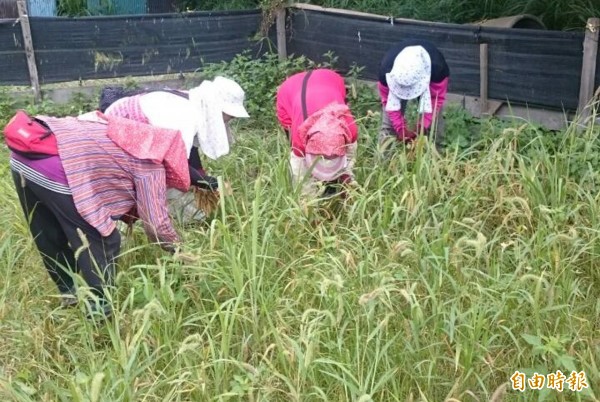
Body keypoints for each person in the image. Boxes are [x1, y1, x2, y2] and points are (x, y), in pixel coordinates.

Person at [5, 110, 191, 319]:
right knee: (103, 240)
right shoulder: (151, 165)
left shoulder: (128, 135)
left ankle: (70, 292)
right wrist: (180, 251)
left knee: (47, 231)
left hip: (23, 157)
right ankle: (100, 311)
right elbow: (156, 225)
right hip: (58, 168)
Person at [103, 76, 250, 222]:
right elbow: (176, 165)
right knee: (160, 196)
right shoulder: (183, 114)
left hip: (135, 141)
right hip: (117, 142)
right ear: (217, 109)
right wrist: (213, 183)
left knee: (183, 195)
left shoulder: (195, 104)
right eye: (228, 116)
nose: (229, 120)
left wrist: (202, 177)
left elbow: (189, 150)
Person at [276, 68, 358, 199]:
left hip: (330, 79)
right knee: (300, 165)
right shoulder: (299, 139)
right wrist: (308, 200)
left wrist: (346, 177)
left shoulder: (349, 128)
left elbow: (350, 156)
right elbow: (300, 176)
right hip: (289, 90)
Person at [378, 39, 450, 151]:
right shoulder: (386, 72)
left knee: (435, 127)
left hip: (429, 76)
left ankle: (437, 159)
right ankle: (383, 162)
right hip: (394, 76)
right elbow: (389, 104)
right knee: (388, 127)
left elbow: (435, 100)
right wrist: (401, 129)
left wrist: (421, 127)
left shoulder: (437, 68)